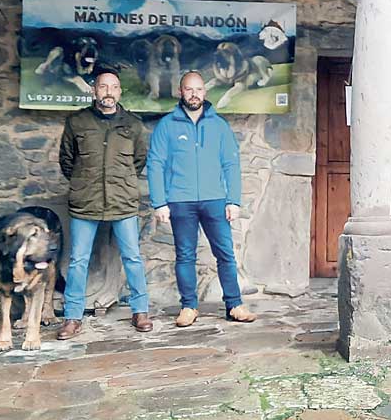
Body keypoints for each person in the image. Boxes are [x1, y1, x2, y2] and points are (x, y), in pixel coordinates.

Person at [147, 71, 256, 327]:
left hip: (215, 200)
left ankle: (235, 304)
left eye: (198, 89)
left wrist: (234, 200)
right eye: (188, 89)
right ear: (180, 91)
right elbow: (155, 164)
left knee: (225, 254)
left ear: (204, 93)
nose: (194, 94)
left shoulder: (219, 126)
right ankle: (188, 307)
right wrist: (159, 202)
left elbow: (231, 164)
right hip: (180, 201)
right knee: (185, 255)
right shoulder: (167, 125)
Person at [57, 66, 152, 340]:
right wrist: (81, 182)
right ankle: (72, 317)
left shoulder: (133, 124)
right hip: (85, 202)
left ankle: (140, 310)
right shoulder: (77, 122)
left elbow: (138, 161)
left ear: (120, 91)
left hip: (123, 202)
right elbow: (67, 161)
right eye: (102, 86)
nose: (108, 92)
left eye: (113, 87)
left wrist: (120, 182)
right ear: (93, 89)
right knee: (77, 260)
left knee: (133, 258)